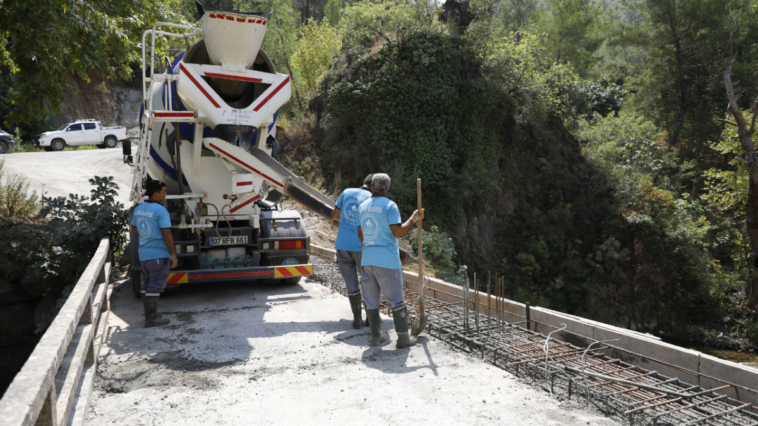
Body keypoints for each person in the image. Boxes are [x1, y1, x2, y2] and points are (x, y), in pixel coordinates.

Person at [358, 173, 424, 348]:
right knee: (396, 299)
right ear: (388, 188)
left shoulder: (362, 206)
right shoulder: (390, 206)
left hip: (367, 259)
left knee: (371, 300)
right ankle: (403, 338)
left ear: (372, 186)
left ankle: (375, 337)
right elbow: (397, 232)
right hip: (387, 260)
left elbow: (361, 235)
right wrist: (413, 219)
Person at [130, 180, 178, 327]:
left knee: (147, 284)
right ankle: (151, 319)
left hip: (144, 254)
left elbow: (134, 229)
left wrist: (147, 231)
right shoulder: (160, 211)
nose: (166, 194)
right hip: (157, 254)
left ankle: (150, 316)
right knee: (155, 286)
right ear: (156, 194)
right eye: (164, 191)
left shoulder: (138, 209)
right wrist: (173, 255)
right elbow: (167, 234)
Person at [331, 174, 373, 329]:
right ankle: (370, 319)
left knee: (351, 284)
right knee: (368, 282)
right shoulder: (372, 199)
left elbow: (334, 216)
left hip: (342, 245)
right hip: (362, 247)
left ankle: (356, 320)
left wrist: (346, 226)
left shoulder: (346, 192)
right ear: (373, 186)